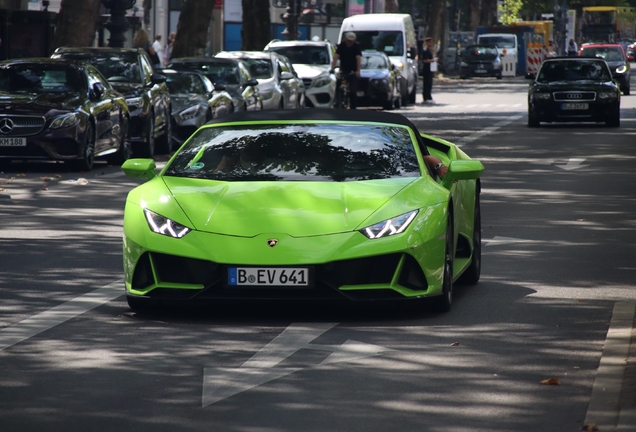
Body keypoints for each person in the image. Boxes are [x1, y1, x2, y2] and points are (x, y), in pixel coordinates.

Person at [330, 31, 362, 109]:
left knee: (353, 90)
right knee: (338, 84)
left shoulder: (356, 46)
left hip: (353, 71)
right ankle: (337, 101)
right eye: (348, 41)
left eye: (351, 41)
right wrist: (332, 68)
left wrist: (358, 71)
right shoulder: (341, 46)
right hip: (343, 69)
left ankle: (353, 107)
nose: (349, 42)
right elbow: (336, 57)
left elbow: (358, 59)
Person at [420, 37, 438, 104]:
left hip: (430, 69)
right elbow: (425, 60)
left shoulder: (429, 50)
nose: (431, 43)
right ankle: (426, 97)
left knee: (429, 83)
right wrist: (433, 60)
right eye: (430, 42)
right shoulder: (425, 51)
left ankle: (429, 96)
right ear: (426, 43)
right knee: (426, 83)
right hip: (426, 69)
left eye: (431, 42)